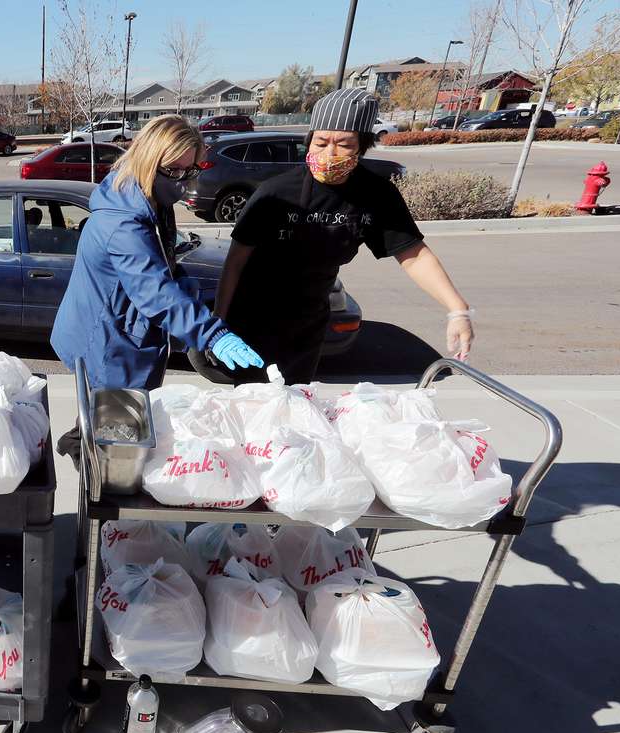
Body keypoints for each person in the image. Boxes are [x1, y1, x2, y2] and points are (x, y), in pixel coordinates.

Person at [216, 87, 474, 385]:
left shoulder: (376, 195)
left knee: (297, 402)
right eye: (321, 142)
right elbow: (235, 261)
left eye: (344, 144)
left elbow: (413, 255)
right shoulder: (276, 192)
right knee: (254, 407)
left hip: (309, 322)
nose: (329, 154)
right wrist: (219, 324)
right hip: (253, 318)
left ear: (362, 147)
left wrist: (457, 310)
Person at [50, 114, 262, 463]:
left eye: (190, 170)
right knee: (116, 451)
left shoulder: (149, 199)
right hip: (108, 344)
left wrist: (187, 292)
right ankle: (97, 486)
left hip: (120, 334)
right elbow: (153, 291)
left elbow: (162, 265)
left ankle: (83, 445)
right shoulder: (124, 221)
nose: (182, 182)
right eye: (174, 171)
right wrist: (211, 334)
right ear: (149, 160)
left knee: (104, 421)